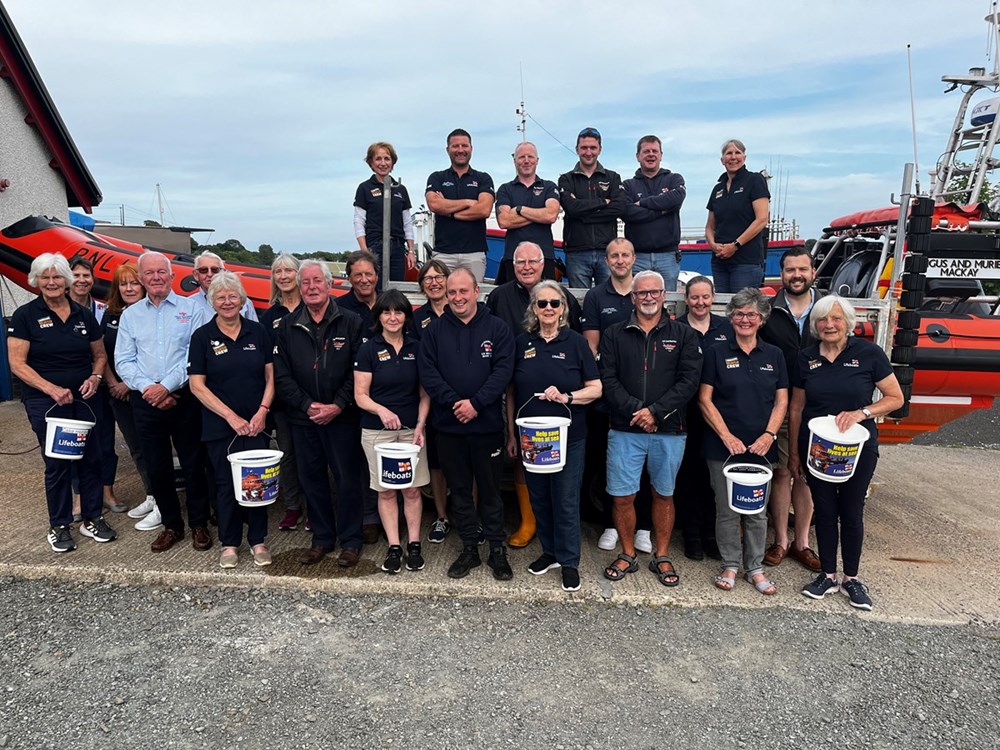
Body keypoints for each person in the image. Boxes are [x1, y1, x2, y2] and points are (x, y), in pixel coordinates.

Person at [790, 296, 903, 610]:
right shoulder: (806, 357)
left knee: (851, 511)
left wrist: (862, 412)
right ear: (816, 324)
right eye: (823, 320)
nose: (829, 325)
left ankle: (852, 578)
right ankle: (827, 574)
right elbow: (797, 408)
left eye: (836, 319)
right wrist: (795, 454)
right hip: (817, 449)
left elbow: (895, 398)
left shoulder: (868, 354)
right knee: (824, 512)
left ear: (848, 323)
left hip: (858, 449)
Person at [7, 253, 117, 552]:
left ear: (66, 280)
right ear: (36, 281)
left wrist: (95, 378)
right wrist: (51, 388)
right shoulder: (25, 315)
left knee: (92, 459)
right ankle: (59, 524)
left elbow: (100, 355)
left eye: (57, 277)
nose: (52, 282)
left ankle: (92, 517)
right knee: (58, 463)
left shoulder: (84, 316)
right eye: (46, 277)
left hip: (85, 398)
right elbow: (17, 363)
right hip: (48, 402)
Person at [599, 270, 702, 586]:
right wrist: (637, 411)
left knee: (664, 494)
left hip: (669, 430)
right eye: (641, 293)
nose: (647, 297)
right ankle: (628, 553)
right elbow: (608, 379)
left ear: (663, 295)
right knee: (622, 497)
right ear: (633, 297)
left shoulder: (684, 335)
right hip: (625, 428)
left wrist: (655, 413)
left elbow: (689, 381)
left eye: (654, 292)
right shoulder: (614, 334)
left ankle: (661, 555)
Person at [419, 267, 515, 580]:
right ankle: (470, 549)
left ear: (476, 292)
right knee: (459, 493)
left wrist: (475, 404)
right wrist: (453, 403)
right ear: (446, 295)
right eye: (452, 292)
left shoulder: (498, 328)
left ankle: (497, 551)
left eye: (464, 291)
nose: (458, 298)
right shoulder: (434, 331)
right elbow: (428, 373)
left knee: (490, 492)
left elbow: (503, 371)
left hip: (486, 427)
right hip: (449, 428)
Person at [507, 281, 602, 592]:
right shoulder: (522, 343)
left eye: (555, 303)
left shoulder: (575, 343)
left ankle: (570, 560)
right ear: (534, 308)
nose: (548, 309)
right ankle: (549, 552)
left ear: (563, 309)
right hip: (532, 437)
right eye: (542, 303)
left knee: (565, 498)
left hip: (568, 436)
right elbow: (509, 391)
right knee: (540, 497)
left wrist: (568, 397)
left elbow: (596, 388)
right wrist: (511, 431)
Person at [486, 241, 582, 547]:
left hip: (561, 404)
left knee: (561, 470)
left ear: (545, 264)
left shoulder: (563, 295)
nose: (527, 266)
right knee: (521, 458)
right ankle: (529, 523)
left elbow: (577, 342)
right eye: (520, 261)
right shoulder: (498, 296)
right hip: (514, 389)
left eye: (533, 261)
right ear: (512, 265)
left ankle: (559, 536)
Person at [116, 251, 212, 553]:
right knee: (157, 467)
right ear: (142, 278)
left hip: (184, 397)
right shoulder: (131, 315)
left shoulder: (192, 309)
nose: (156, 277)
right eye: (150, 273)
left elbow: (196, 354)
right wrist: (150, 389)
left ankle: (199, 524)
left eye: (162, 272)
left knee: (194, 463)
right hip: (145, 402)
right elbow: (124, 360)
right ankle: (172, 525)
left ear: (172, 276)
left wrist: (167, 386)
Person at [273, 260, 365, 567]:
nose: (312, 287)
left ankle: (352, 540)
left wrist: (338, 404)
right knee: (311, 479)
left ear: (329, 285)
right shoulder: (286, 325)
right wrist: (306, 405)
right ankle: (322, 539)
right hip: (304, 418)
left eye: (317, 281)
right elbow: (281, 374)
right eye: (306, 283)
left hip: (343, 417)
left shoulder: (351, 321)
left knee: (348, 479)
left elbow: (359, 371)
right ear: (300, 288)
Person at [699, 287, 788, 595]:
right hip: (722, 447)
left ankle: (755, 568)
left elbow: (781, 401)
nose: (745, 319)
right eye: (738, 314)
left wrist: (768, 435)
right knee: (726, 510)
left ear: (762, 319)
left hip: (761, 447)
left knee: (756, 511)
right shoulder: (716, 352)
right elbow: (705, 400)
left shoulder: (774, 355)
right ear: (731, 317)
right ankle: (730, 565)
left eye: (752, 314)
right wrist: (726, 437)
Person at [188, 271, 275, 569]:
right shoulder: (202, 337)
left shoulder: (258, 331)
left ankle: (259, 540)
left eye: (232, 296)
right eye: (220, 297)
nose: (227, 302)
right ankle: (230, 543)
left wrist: (263, 410)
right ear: (212, 302)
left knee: (258, 484)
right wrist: (231, 417)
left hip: (257, 423)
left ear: (242, 299)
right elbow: (196, 385)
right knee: (225, 485)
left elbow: (271, 376)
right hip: (221, 426)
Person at [580, 238, 654, 555]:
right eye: (614, 255)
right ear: (606, 260)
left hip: (646, 396)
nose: (620, 260)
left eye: (625, 254)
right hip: (608, 398)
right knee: (608, 463)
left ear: (634, 257)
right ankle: (612, 523)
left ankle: (645, 528)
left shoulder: (645, 292)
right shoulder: (597, 296)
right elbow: (592, 348)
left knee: (648, 464)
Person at [354, 289, 431, 574]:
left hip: (412, 432)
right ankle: (394, 546)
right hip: (378, 433)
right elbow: (360, 395)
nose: (393, 317)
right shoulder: (368, 348)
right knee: (386, 492)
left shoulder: (417, 346)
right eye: (387, 312)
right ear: (379, 316)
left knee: (411, 490)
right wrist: (382, 411)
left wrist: (421, 425)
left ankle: (414, 545)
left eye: (398, 311)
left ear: (406, 316)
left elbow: (426, 393)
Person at [759, 248, 824, 572]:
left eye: (802, 269)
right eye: (789, 270)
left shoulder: (827, 309)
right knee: (782, 471)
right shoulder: (769, 311)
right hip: (781, 403)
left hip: (819, 405)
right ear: (781, 274)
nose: (796, 275)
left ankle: (803, 543)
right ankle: (781, 541)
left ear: (813, 271)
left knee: (808, 476)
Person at [674, 275, 733, 561]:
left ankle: (713, 535)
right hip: (686, 413)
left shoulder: (726, 328)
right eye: (694, 297)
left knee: (716, 477)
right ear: (686, 300)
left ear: (713, 298)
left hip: (718, 413)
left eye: (705, 297)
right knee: (689, 476)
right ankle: (692, 534)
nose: (700, 302)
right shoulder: (676, 328)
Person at [101, 262, 158, 527]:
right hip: (118, 394)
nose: (128, 288)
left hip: (144, 392)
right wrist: (114, 383)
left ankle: (161, 498)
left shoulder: (151, 313)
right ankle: (151, 493)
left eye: (133, 282)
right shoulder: (110, 315)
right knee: (136, 448)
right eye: (123, 283)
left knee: (154, 446)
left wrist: (129, 384)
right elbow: (102, 353)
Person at [67, 256, 122, 515]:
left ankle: (107, 491)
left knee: (105, 441)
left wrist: (108, 381)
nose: (81, 280)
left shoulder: (104, 310)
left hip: (101, 386)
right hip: (73, 388)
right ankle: (78, 496)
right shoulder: (60, 310)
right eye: (76, 275)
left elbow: (106, 352)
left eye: (86, 276)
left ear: (93, 280)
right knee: (76, 442)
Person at [335, 249, 381, 542]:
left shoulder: (390, 303)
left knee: (385, 460)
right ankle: (367, 517)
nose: (364, 280)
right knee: (357, 462)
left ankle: (391, 513)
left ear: (377, 276)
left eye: (369, 274)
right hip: (352, 398)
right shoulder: (339, 308)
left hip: (389, 395)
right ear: (349, 277)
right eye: (358, 275)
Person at [259, 253, 308, 532]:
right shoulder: (270, 317)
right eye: (278, 272)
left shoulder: (313, 307)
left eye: (289, 270)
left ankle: (315, 504)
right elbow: (268, 361)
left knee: (312, 454)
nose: (284, 276)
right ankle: (293, 505)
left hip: (312, 395)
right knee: (288, 453)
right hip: (283, 399)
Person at [558, 127, 629, 290]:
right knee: (579, 302)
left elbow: (619, 208)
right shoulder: (566, 179)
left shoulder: (612, 177)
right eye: (584, 148)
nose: (588, 152)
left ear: (600, 150)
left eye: (593, 148)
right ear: (577, 149)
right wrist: (604, 202)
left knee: (608, 301)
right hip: (577, 252)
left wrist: (583, 214)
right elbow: (571, 208)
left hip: (607, 252)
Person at [412, 259, 451, 542]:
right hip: (433, 400)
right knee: (437, 464)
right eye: (428, 278)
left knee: (467, 465)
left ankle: (467, 515)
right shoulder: (416, 318)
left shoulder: (462, 309)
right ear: (422, 286)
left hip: (465, 399)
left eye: (439, 277)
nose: (434, 282)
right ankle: (442, 517)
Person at [425, 128, 495, 283]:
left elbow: (484, 209)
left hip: (475, 254)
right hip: (443, 253)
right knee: (441, 300)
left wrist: (449, 211)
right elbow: (434, 204)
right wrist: (468, 202)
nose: (460, 150)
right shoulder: (437, 177)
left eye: (465, 146)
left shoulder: (483, 178)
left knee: (473, 301)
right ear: (448, 149)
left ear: (471, 148)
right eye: (455, 146)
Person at [705, 139, 771, 293]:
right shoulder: (717, 189)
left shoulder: (755, 181)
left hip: (746, 261)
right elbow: (710, 226)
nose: (733, 157)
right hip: (720, 261)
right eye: (729, 153)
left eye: (737, 153)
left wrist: (735, 245)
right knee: (722, 309)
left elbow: (761, 219)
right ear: (722, 160)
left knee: (741, 309)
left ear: (744, 158)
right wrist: (713, 245)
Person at [622, 135, 686, 291]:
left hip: (668, 257)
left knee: (668, 304)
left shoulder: (674, 179)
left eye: (655, 151)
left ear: (661, 155)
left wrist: (642, 203)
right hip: (638, 257)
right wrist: (662, 210)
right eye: (646, 151)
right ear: (638, 156)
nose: (651, 154)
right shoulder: (628, 185)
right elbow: (627, 212)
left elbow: (676, 198)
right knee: (638, 303)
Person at [494, 142, 560, 284]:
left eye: (530, 156)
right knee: (512, 303)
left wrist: (519, 210)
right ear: (514, 161)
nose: (526, 161)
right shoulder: (505, 189)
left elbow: (551, 215)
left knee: (544, 302)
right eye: (521, 157)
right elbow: (504, 221)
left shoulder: (549, 186)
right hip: (513, 258)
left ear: (537, 160)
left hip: (544, 258)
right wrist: (539, 214)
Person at [354, 141, 415, 284]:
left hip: (398, 248)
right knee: (375, 289)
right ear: (371, 162)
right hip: (375, 247)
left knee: (395, 291)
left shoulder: (400, 189)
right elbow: (359, 221)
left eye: (387, 158)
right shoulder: (364, 188)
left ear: (393, 162)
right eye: (378, 159)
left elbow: (407, 222)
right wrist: (365, 251)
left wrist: (411, 250)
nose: (383, 163)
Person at [189, 252, 258, 321]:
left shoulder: (245, 303)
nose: (209, 274)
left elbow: (255, 329)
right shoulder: (189, 304)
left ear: (223, 272)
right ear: (196, 275)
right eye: (203, 270)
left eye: (215, 270)